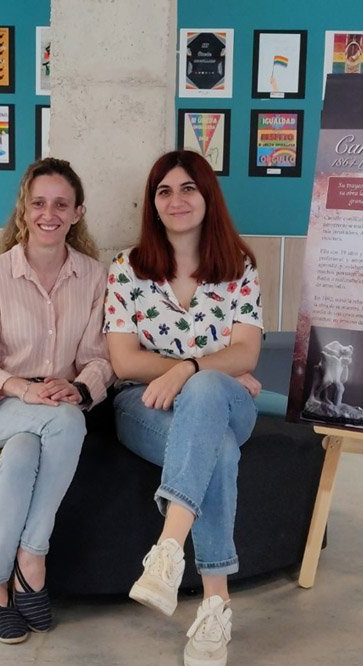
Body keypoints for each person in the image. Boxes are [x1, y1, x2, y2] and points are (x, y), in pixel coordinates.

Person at [104, 150, 263, 666]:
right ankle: (216, 606)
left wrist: (189, 370)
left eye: (188, 188)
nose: (177, 200)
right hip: (142, 406)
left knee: (207, 391)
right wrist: (207, 365)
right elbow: (124, 362)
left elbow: (249, 352)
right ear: (152, 204)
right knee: (217, 448)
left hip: (226, 401)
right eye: (164, 191)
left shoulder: (240, 267)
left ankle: (167, 552)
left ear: (207, 195)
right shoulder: (128, 269)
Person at [0, 157, 113, 644]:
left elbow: (100, 357)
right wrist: (26, 389)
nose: (50, 213)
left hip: (55, 403)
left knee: (24, 455)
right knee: (66, 423)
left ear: (78, 212)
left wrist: (80, 387)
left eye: (61, 204)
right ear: (24, 210)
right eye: (39, 203)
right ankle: (33, 556)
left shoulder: (95, 276)